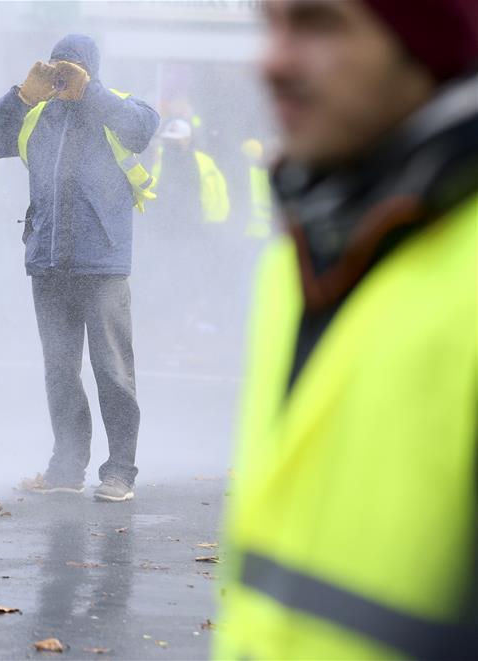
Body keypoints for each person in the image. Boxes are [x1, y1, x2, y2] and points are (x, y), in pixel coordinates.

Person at [218, 1, 478, 658]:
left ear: (425, 45)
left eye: (318, 23)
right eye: (269, 23)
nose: (271, 60)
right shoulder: (301, 258)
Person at [0, 34, 160, 502]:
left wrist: (89, 92)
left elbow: (141, 129)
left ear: (91, 70)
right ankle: (66, 468)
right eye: (57, 67)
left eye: (72, 68)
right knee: (60, 371)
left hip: (103, 264)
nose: (63, 76)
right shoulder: (36, 115)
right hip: (49, 263)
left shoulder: (114, 106)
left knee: (113, 371)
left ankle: (119, 472)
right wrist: (21, 94)